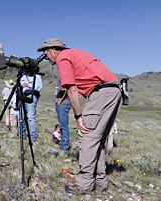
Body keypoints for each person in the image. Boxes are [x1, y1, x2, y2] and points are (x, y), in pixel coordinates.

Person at [38, 38, 122, 194]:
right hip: (114, 91)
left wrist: (78, 116)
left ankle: (84, 183)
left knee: (87, 136)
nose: (46, 57)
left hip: (101, 93)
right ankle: (100, 180)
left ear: (54, 50)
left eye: (46, 53)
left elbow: (72, 88)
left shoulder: (63, 57)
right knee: (98, 139)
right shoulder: (76, 54)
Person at [20, 71, 43, 142]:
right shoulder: (23, 76)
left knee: (30, 117)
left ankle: (33, 137)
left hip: (32, 96)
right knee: (22, 116)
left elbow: (38, 87)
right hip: (22, 95)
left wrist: (28, 85)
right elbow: (21, 85)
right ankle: (22, 134)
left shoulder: (37, 77)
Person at [55, 79, 72, 153]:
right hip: (61, 103)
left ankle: (64, 147)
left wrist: (60, 100)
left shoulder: (65, 75)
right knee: (61, 125)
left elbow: (65, 88)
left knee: (63, 126)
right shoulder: (61, 76)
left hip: (63, 103)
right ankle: (63, 144)